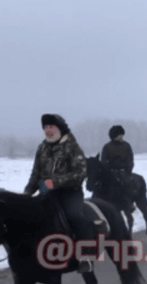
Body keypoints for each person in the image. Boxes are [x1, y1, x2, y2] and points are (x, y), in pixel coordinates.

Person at [23, 114, 95, 273]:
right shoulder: (42, 147)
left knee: (74, 215)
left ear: (60, 128)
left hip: (70, 192)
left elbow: (80, 172)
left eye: (51, 127)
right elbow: (35, 173)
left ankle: (86, 255)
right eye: (46, 128)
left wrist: (55, 182)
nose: (48, 131)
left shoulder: (72, 146)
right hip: (45, 192)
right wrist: (27, 192)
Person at [101, 125, 135, 213]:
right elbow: (104, 161)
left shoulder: (127, 146)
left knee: (128, 184)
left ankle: (129, 203)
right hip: (110, 172)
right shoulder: (107, 147)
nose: (123, 137)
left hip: (123, 172)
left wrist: (128, 170)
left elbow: (130, 160)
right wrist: (108, 171)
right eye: (121, 135)